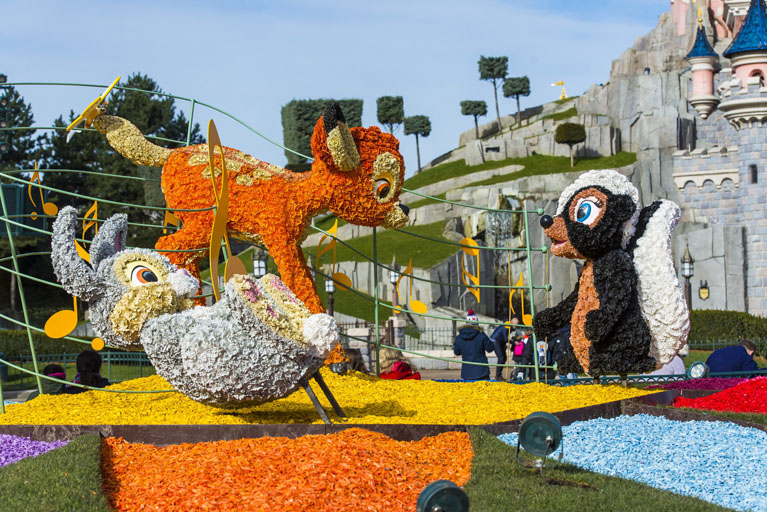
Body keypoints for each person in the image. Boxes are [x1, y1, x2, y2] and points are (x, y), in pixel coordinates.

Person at [453, 309, 494, 381]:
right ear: (476, 323)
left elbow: (456, 352)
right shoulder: (481, 335)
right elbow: (490, 349)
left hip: (466, 373)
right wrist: (492, 341)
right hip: (481, 372)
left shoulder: (459, 337)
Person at [490, 317, 519, 381]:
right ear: (512, 323)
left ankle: (499, 375)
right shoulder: (507, 326)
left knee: (504, 358)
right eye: (516, 324)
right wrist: (514, 342)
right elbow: (506, 339)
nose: (516, 326)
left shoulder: (509, 326)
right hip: (495, 341)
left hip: (500, 341)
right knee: (501, 358)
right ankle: (498, 376)